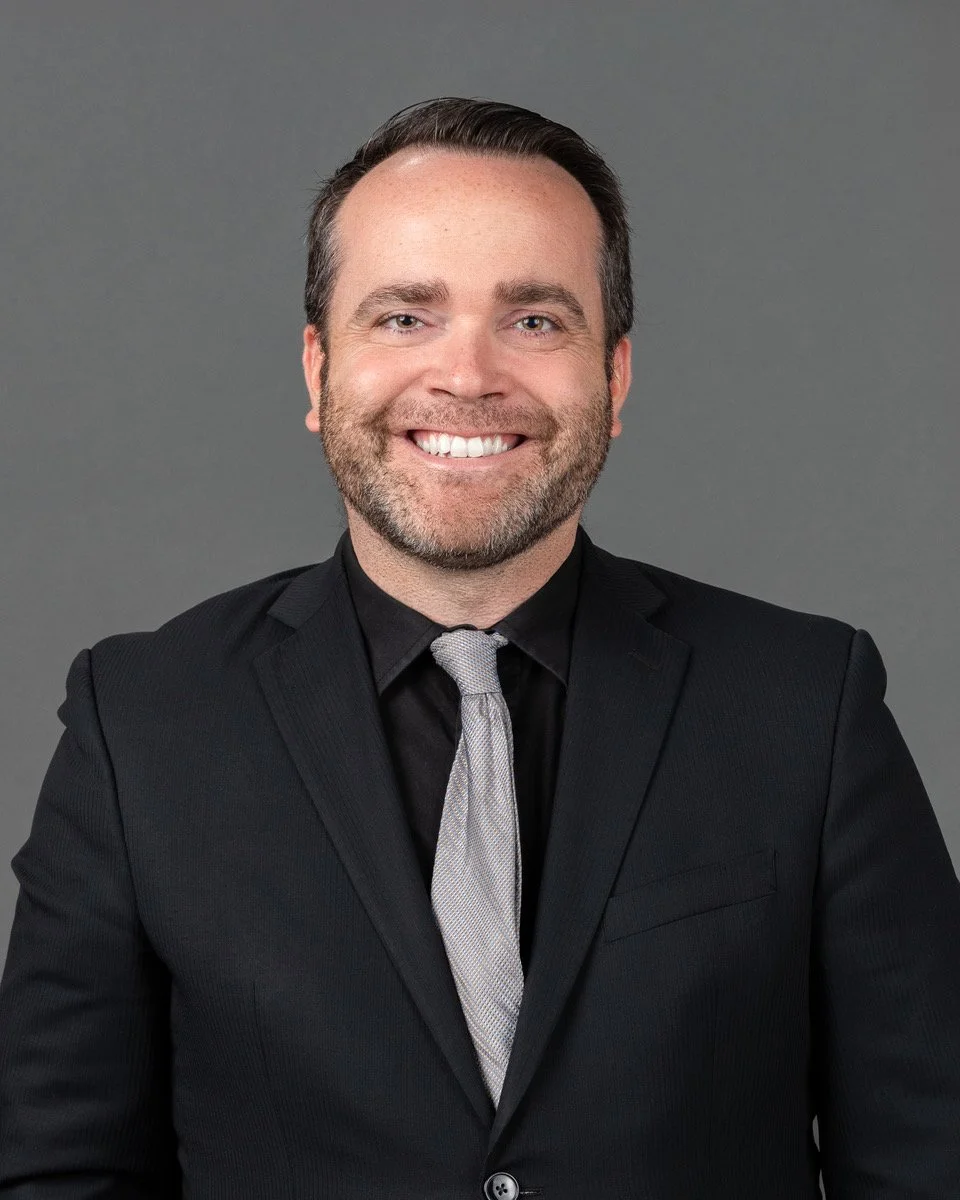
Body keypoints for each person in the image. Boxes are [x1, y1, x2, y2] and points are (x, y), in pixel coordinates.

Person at [1, 96, 958, 1200]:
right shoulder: (141, 724)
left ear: (618, 376)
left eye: (536, 320)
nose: (467, 375)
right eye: (405, 317)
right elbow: (58, 1176)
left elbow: (928, 1160)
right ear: (318, 371)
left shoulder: (807, 705)